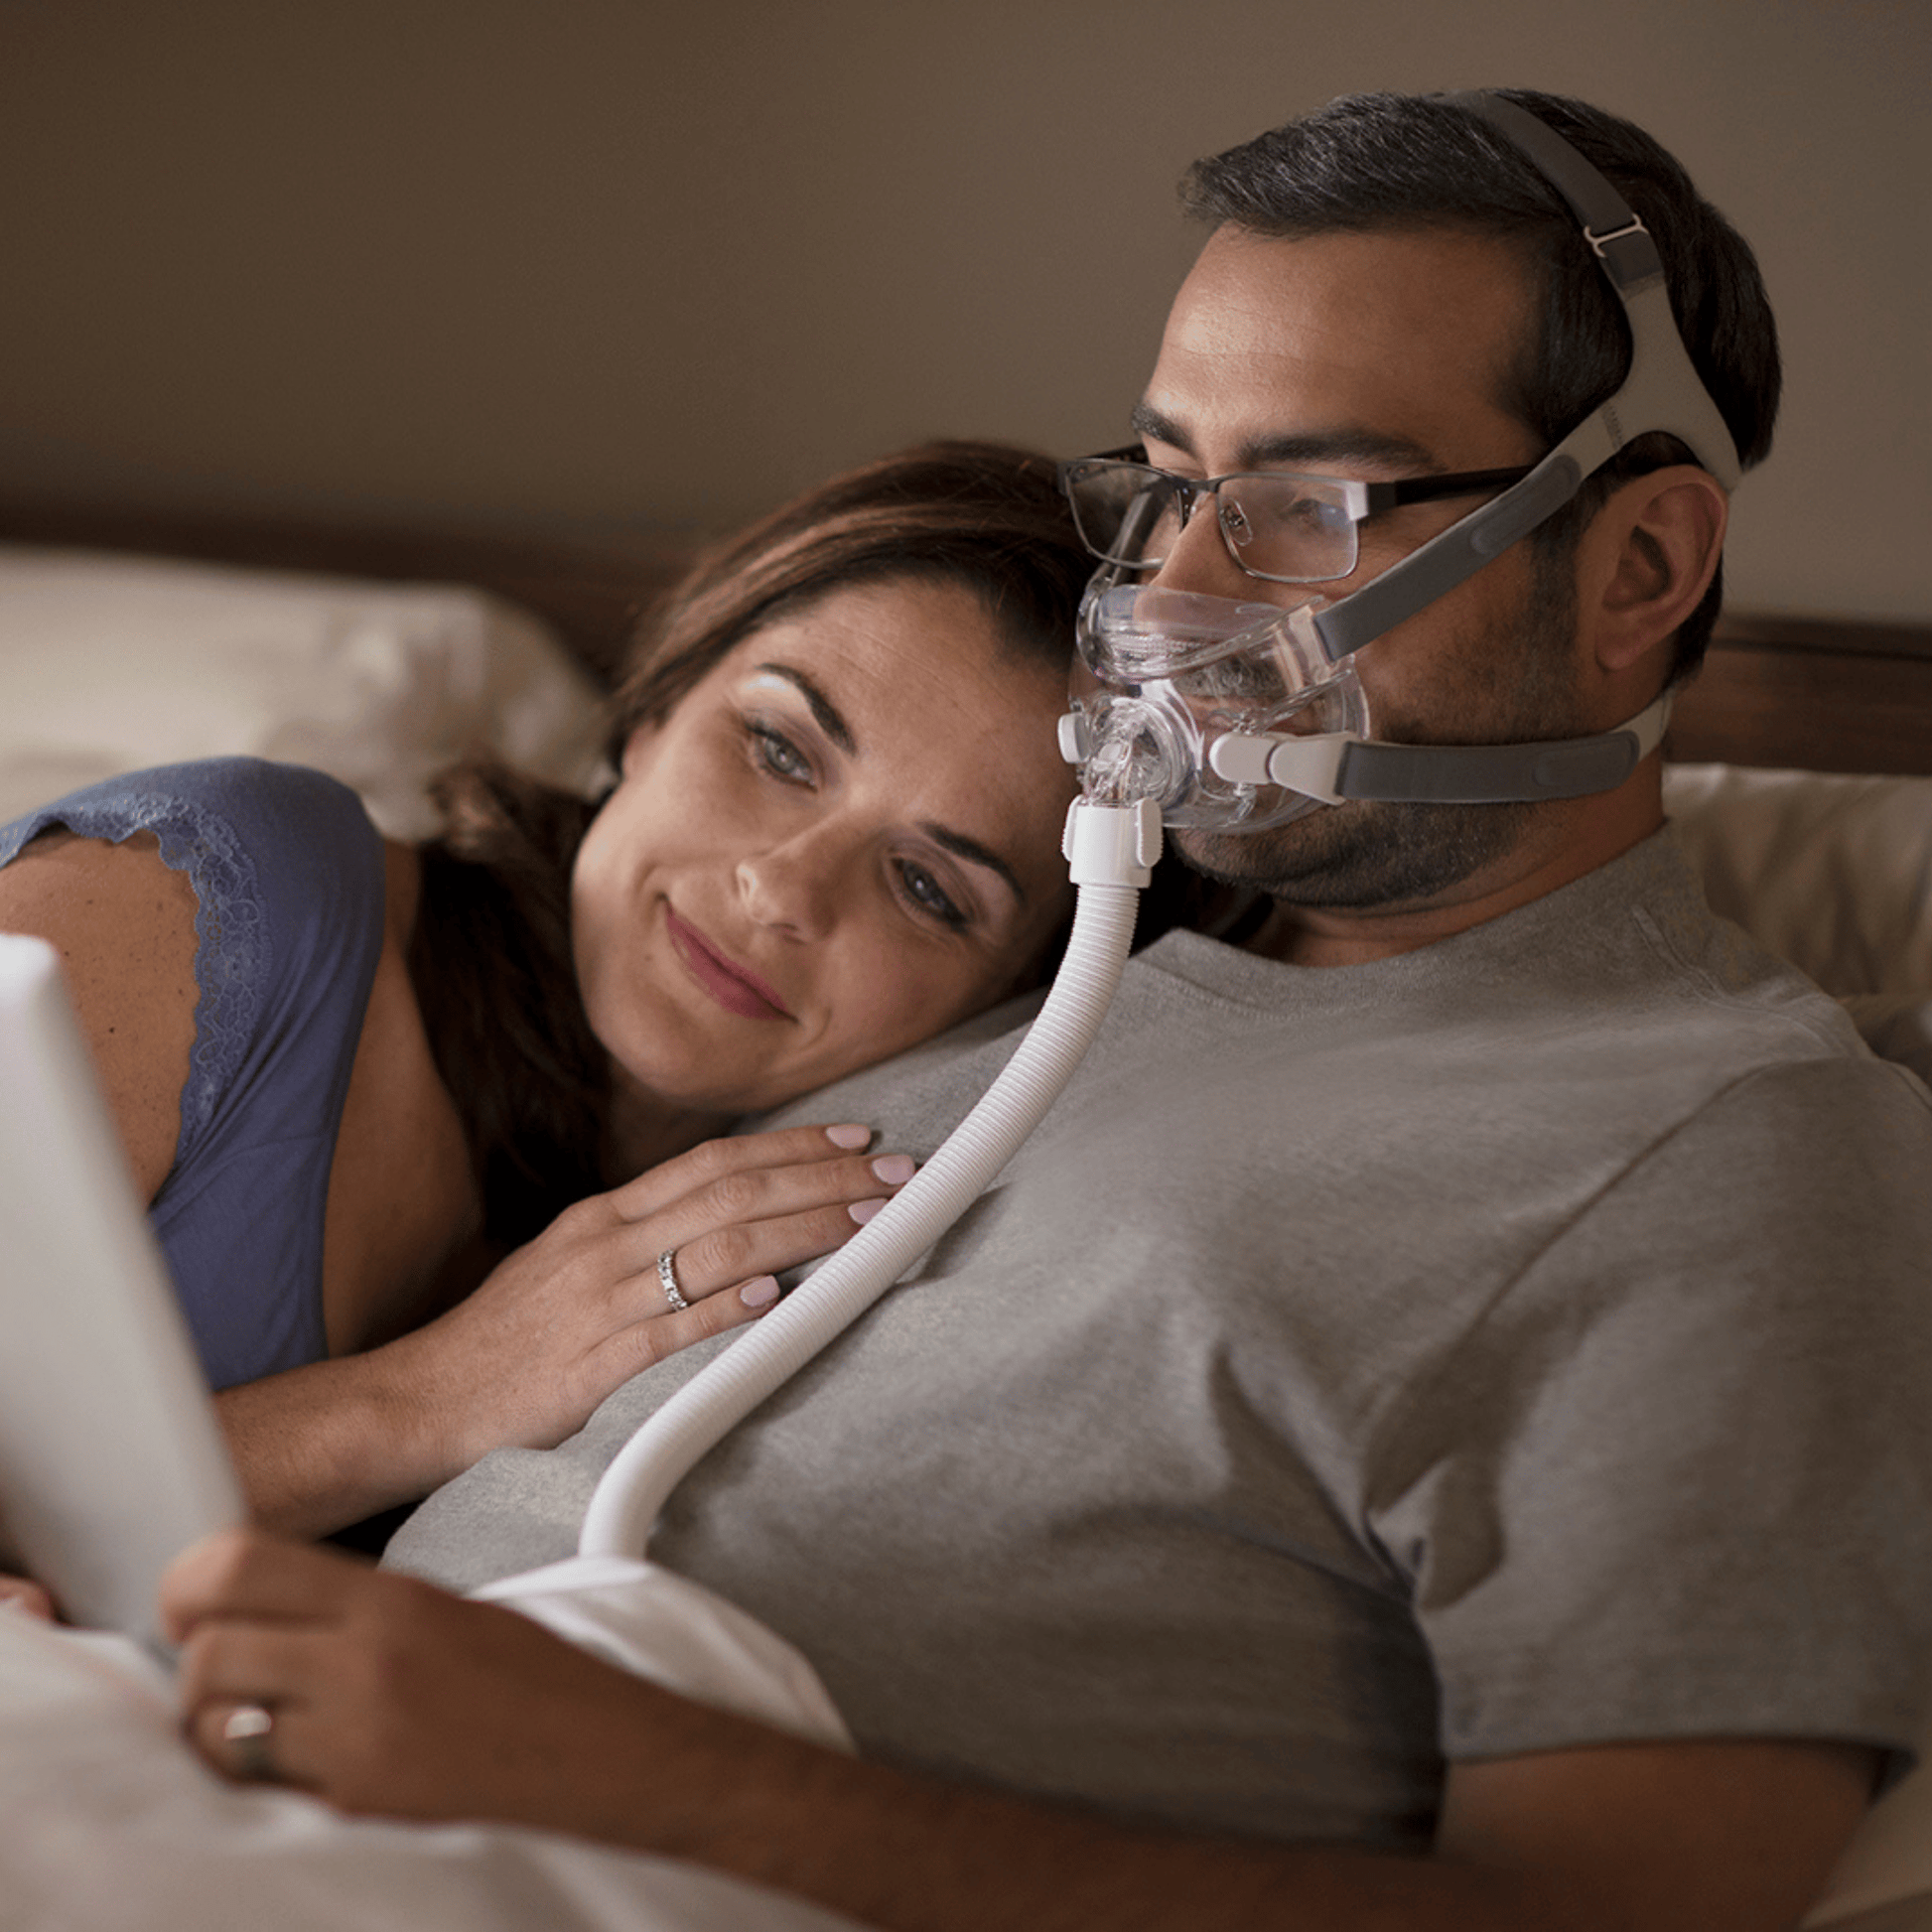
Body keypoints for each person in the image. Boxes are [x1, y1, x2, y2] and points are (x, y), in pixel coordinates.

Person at [106, 87, 1932, 1932]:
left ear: (1639, 567)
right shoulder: (1038, 972)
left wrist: (664, 1784)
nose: (1171, 598)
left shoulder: (1723, 1145)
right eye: (1168, 484)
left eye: (1305, 506)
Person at [0, 441, 1101, 1542]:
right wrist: (426, 1395)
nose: (782, 890)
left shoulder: (849, 1241)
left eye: (925, 886)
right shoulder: (223, 897)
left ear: (1015, 992)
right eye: (777, 747)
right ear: (652, 710)